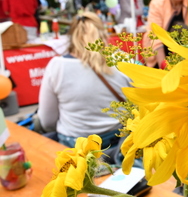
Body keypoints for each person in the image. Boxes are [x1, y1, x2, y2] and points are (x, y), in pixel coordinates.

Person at [37, 12, 131, 148]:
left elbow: (47, 121)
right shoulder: (123, 60)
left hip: (73, 145)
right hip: (118, 143)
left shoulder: (57, 66)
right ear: (103, 34)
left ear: (71, 36)